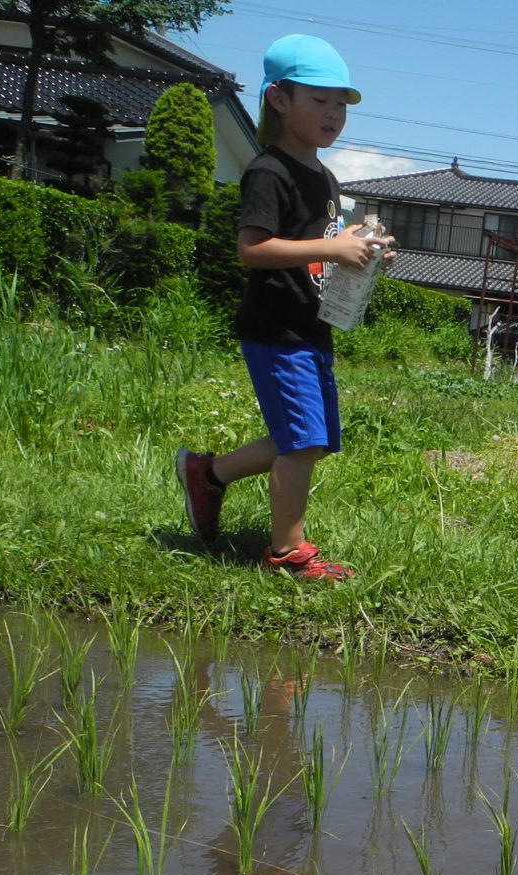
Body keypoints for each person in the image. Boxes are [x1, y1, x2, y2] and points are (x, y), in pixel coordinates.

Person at [175, 34, 389, 581]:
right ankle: (287, 552)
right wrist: (331, 247)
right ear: (278, 100)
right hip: (275, 329)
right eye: (319, 100)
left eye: (341, 103)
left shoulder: (324, 176)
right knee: (304, 441)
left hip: (311, 325)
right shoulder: (268, 171)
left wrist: (361, 250)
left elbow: (323, 249)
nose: (334, 113)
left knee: (307, 439)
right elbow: (252, 249)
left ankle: (207, 474)